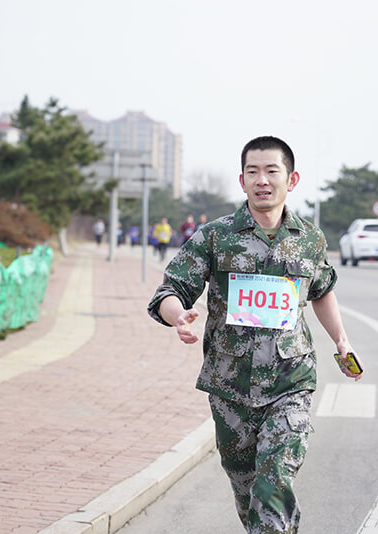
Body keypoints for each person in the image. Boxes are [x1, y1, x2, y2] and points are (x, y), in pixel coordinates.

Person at [147, 136, 363, 534]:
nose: (262, 180)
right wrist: (179, 316)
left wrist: (341, 340)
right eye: (253, 172)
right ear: (242, 180)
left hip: (290, 380)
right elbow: (170, 290)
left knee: (274, 480)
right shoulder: (215, 236)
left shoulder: (310, 240)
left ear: (291, 180)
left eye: (271, 171)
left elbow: (322, 291)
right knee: (247, 488)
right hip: (230, 386)